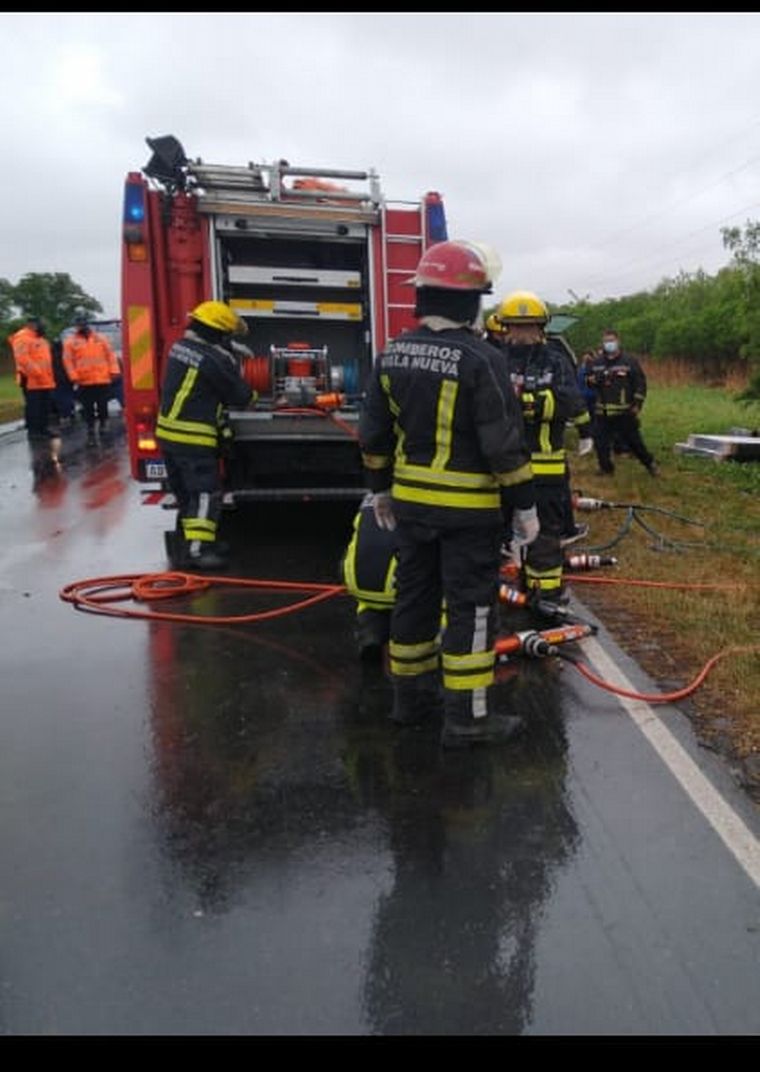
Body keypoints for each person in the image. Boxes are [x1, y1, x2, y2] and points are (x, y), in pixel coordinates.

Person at [358, 239, 539, 748]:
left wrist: (380, 491)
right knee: (472, 608)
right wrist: (525, 504)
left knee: (413, 598)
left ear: (421, 298)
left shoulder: (391, 355)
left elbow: (373, 436)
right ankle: (468, 717)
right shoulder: (483, 359)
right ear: (471, 300)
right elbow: (502, 444)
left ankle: (409, 702)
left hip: (410, 509)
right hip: (469, 515)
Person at [493, 290, 592, 602]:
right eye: (516, 326)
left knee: (544, 534)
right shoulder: (493, 360)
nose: (523, 333)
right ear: (505, 328)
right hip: (502, 466)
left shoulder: (556, 362)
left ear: (541, 328)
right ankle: (497, 593)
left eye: (530, 326)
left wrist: (533, 403)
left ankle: (545, 596)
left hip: (544, 467)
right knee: (494, 531)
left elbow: (570, 399)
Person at [156, 299, 255, 571]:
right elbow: (241, 397)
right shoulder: (215, 360)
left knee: (187, 495)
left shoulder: (180, 347)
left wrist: (228, 350)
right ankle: (198, 552)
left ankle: (197, 544)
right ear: (218, 333)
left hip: (168, 435)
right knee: (204, 494)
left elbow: (204, 357)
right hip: (193, 438)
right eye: (226, 335)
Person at [586, 328, 659, 476]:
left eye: (611, 341)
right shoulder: (597, 362)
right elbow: (588, 380)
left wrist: (637, 404)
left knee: (634, 442)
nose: (609, 344)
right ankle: (606, 468)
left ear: (618, 342)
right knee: (600, 442)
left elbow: (640, 383)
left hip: (624, 411)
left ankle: (650, 463)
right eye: (606, 341)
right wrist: (594, 380)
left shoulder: (629, 361)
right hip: (602, 411)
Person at [62, 311, 120, 445]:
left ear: (87, 325)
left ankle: (104, 424)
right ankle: (90, 427)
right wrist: (73, 377)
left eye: (83, 324)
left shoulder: (101, 339)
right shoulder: (70, 342)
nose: (81, 327)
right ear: (76, 326)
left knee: (102, 404)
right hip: (84, 380)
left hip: (102, 378)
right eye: (78, 325)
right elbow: (68, 361)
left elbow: (110, 356)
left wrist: (114, 371)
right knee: (87, 407)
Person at [10, 316, 55, 439]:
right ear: (32, 325)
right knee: (34, 406)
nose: (43, 327)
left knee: (44, 406)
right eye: (41, 324)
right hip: (30, 379)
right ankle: (34, 431)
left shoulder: (41, 340)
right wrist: (37, 372)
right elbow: (23, 359)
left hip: (45, 379)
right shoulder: (22, 338)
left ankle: (43, 428)